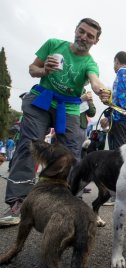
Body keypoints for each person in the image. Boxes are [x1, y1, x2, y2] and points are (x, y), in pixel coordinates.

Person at [0, 18, 110, 226]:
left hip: (68, 107)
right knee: (29, 145)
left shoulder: (90, 63)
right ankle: (18, 202)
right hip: (41, 100)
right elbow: (33, 69)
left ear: (96, 41)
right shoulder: (53, 44)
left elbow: (94, 80)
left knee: (72, 153)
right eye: (81, 31)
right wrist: (44, 71)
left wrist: (101, 90)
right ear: (75, 30)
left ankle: (70, 199)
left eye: (90, 36)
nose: (83, 37)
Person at [100, 51, 126, 205]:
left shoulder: (122, 73)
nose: (114, 66)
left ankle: (117, 195)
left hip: (121, 120)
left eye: (114, 63)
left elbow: (120, 98)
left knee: (117, 157)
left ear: (116, 61)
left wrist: (110, 116)